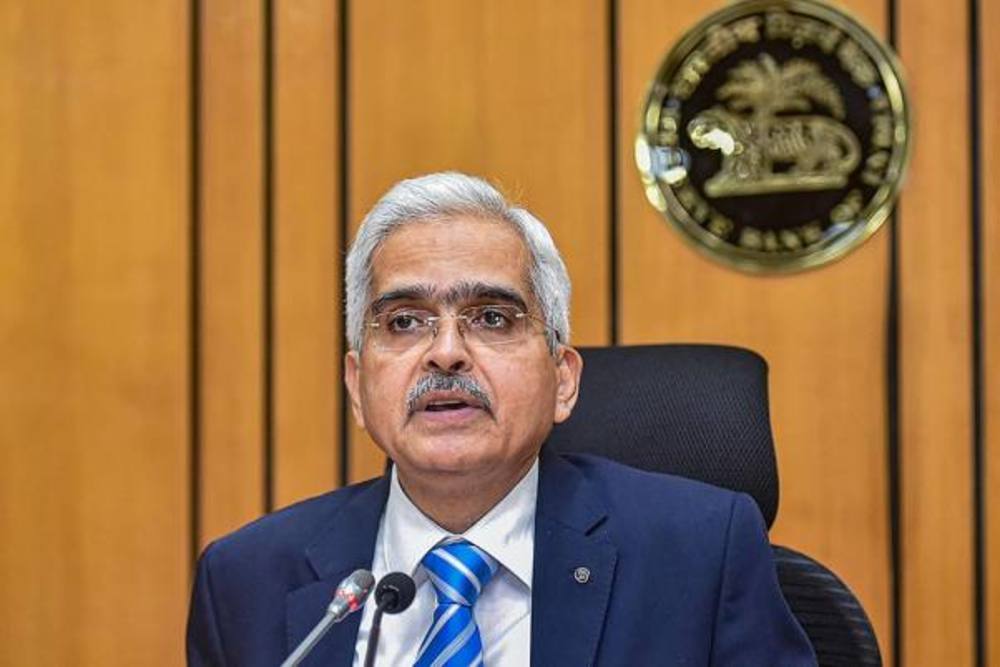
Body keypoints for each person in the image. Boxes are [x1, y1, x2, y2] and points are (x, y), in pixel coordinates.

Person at [187, 172, 816, 666]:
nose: (445, 352)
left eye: (492, 318)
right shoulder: (247, 582)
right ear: (357, 385)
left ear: (563, 380)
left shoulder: (700, 553)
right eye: (403, 321)